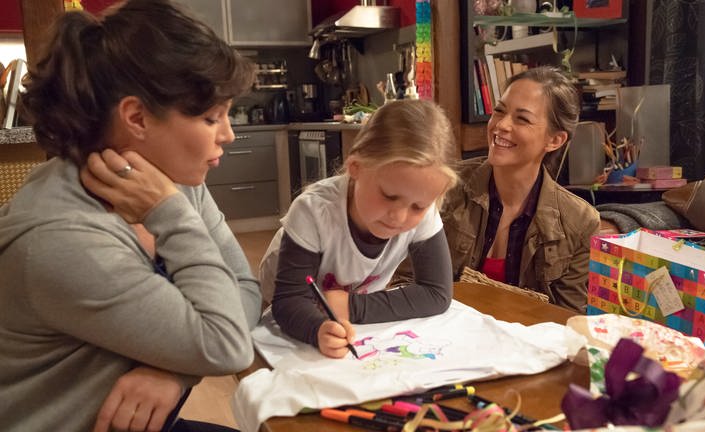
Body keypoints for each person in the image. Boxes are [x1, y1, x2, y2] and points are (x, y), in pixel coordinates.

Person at [0, 1, 262, 431]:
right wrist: (169, 215)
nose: (228, 134)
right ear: (136, 117)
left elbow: (246, 291)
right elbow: (229, 345)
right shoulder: (61, 240)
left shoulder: (173, 185)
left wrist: (172, 370)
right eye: (212, 117)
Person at [258, 99, 457, 359]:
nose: (399, 217)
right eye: (388, 196)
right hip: (285, 311)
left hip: (346, 315)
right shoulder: (314, 211)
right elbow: (289, 300)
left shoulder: (424, 209)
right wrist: (317, 329)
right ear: (356, 168)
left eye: (418, 206)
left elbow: (437, 293)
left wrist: (349, 306)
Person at [441, 66, 599, 313]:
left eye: (522, 119)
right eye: (499, 111)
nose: (501, 125)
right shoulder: (446, 185)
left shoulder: (580, 222)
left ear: (555, 140)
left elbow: (566, 320)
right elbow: (407, 281)